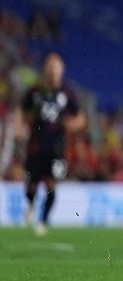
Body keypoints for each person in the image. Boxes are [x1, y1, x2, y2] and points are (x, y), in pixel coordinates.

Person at [21, 51, 85, 236]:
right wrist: (21, 125)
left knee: (51, 183)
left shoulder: (68, 93)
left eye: (57, 65)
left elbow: (80, 117)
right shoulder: (35, 91)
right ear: (45, 68)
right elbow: (23, 111)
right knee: (31, 183)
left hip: (57, 146)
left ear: (62, 69)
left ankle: (43, 220)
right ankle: (31, 203)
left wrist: (72, 124)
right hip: (36, 143)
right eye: (50, 65)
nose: (53, 69)